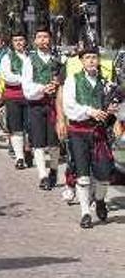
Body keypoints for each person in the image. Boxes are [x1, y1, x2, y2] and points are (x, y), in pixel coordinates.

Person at [61, 47, 123, 228]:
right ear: (81, 61)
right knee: (83, 175)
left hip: (99, 133)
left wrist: (112, 112)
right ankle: (85, 213)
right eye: (87, 57)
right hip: (78, 132)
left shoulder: (106, 83)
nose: (91, 61)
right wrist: (90, 111)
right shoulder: (73, 80)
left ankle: (100, 199)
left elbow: (112, 111)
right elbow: (69, 107)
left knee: (104, 173)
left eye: (94, 57)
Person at [21, 27, 62, 190]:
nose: (43, 40)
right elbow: (26, 86)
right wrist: (42, 89)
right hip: (36, 105)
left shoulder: (57, 59)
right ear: (35, 41)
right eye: (40, 37)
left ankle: (53, 169)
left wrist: (57, 85)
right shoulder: (29, 60)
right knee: (37, 142)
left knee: (54, 142)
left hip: (54, 105)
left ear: (50, 39)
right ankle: (42, 175)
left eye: (46, 37)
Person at [0, 27, 32, 169]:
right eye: (16, 40)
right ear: (12, 43)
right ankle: (19, 157)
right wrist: (25, 79)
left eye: (21, 40)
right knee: (16, 128)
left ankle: (28, 151)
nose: (19, 43)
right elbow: (7, 77)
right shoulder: (7, 57)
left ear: (25, 41)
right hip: (13, 97)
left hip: (30, 96)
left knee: (30, 127)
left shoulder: (31, 56)